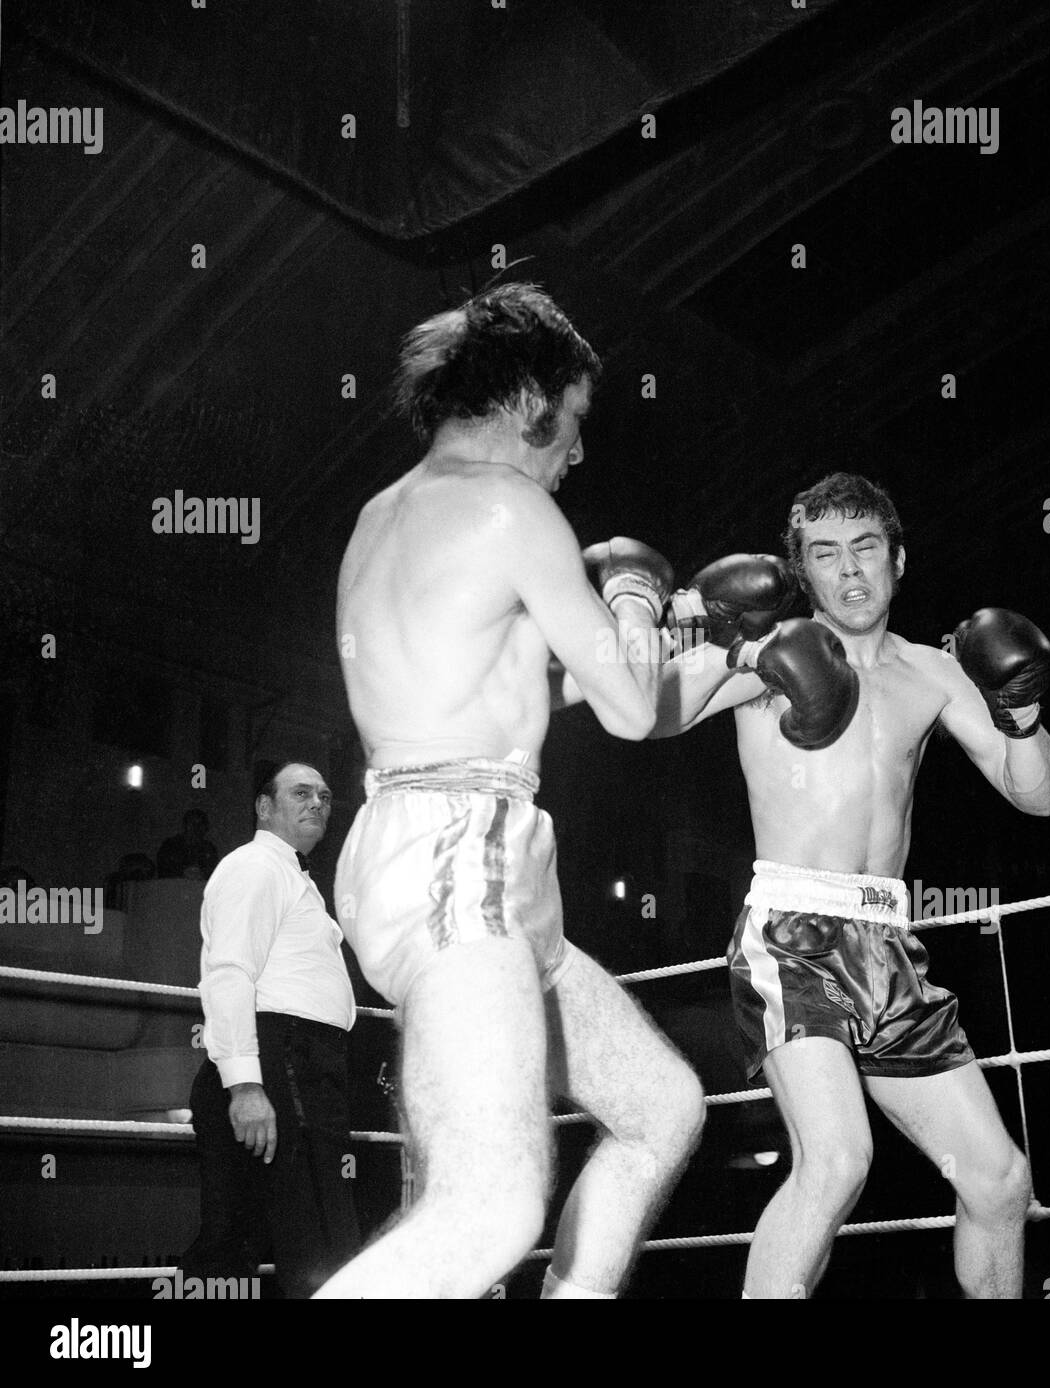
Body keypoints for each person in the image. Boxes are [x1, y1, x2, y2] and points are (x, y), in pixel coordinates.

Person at [317, 282, 705, 1299]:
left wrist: (693, 635)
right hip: (462, 857)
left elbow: (538, 685)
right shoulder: (513, 505)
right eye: (572, 423)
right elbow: (628, 705)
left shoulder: (381, 515)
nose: (576, 453)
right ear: (530, 396)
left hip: (433, 841)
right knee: (490, 1206)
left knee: (661, 1107)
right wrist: (631, 591)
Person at [652, 472, 1050, 1298]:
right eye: (827, 555)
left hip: (889, 948)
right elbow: (652, 713)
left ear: (897, 559)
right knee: (836, 1162)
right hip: (790, 934)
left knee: (999, 1181)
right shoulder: (778, 653)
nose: (850, 572)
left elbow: (1039, 794)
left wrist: (1021, 713)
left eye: (866, 549)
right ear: (803, 570)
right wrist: (720, 638)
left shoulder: (935, 673)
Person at [181, 761, 360, 1298]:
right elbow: (229, 971)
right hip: (280, 1058)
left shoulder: (290, 875)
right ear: (265, 807)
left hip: (292, 1059)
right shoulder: (257, 865)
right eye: (301, 793)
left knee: (239, 1232)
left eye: (325, 796)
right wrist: (246, 1085)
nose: (317, 804)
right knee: (319, 1232)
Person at [157, 809, 220, 881]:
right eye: (192, 823)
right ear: (185, 826)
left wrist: (203, 874)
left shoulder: (209, 849)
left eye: (200, 824)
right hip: (174, 888)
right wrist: (181, 873)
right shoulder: (170, 846)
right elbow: (163, 870)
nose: (196, 828)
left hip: (199, 889)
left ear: (206, 828)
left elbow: (213, 874)